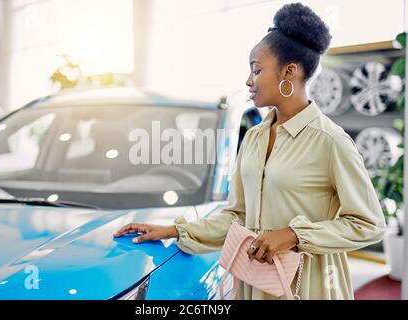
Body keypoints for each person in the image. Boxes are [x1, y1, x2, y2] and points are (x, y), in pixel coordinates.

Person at [113, 2, 387, 300]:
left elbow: (369, 224)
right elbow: (238, 216)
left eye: (256, 70)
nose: (248, 81)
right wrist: (175, 231)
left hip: (307, 286)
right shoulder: (255, 137)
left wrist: (295, 236)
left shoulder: (329, 141)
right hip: (255, 282)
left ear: (289, 72)